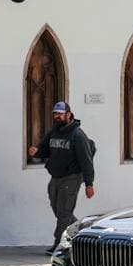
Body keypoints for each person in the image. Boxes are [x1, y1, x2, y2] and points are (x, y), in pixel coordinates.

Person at [29, 101, 95, 246]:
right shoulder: (54, 131)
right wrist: (36, 152)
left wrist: (89, 184)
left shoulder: (78, 135)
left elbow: (86, 161)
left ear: (69, 115)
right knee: (59, 211)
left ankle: (59, 243)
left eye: (60, 114)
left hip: (71, 177)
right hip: (55, 178)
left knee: (64, 212)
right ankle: (82, 231)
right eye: (55, 114)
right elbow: (45, 149)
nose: (57, 116)